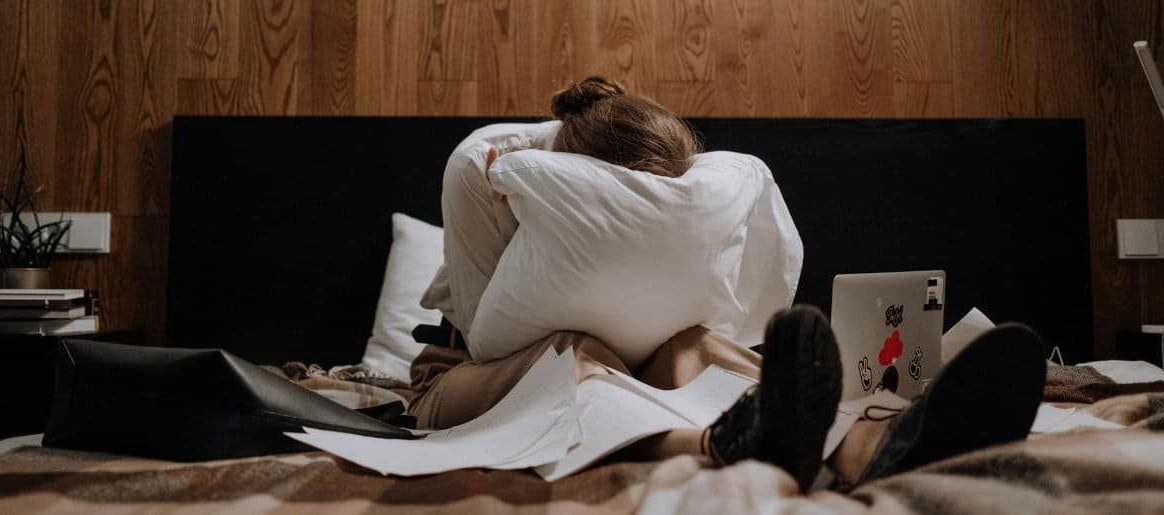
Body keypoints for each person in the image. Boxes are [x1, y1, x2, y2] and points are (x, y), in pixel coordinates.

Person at [407, 76, 1046, 493]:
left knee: (694, 344)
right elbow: (487, 342)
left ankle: (861, 440)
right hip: (462, 374)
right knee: (575, 353)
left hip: (637, 364)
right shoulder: (483, 169)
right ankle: (721, 439)